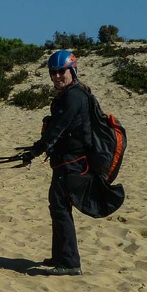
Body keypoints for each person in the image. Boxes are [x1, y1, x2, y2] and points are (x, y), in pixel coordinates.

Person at [19, 50, 91, 276]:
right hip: (65, 161)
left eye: (62, 72)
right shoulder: (71, 94)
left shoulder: (74, 97)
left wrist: (34, 152)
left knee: (61, 209)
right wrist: (36, 148)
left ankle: (70, 263)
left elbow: (56, 131)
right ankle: (60, 255)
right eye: (54, 72)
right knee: (57, 205)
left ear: (72, 71)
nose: (57, 76)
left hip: (73, 163)